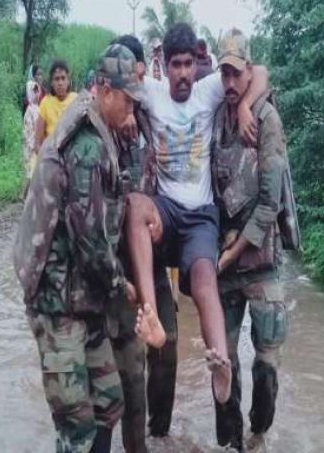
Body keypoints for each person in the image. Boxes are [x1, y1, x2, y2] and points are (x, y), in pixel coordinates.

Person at [13, 44, 159, 453]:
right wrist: (121, 286)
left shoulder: (99, 126)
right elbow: (91, 240)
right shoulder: (88, 146)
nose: (131, 110)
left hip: (84, 296)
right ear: (105, 90)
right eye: (127, 100)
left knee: (109, 401)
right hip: (56, 301)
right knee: (76, 424)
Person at [123, 22, 270, 408]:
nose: (184, 73)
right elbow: (110, 83)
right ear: (165, 64)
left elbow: (260, 72)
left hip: (201, 214)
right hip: (166, 208)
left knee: (205, 276)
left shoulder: (209, 90)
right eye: (176, 65)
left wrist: (243, 106)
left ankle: (220, 362)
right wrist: (128, 111)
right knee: (135, 205)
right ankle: (151, 316)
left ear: (196, 64)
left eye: (189, 64)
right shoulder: (151, 93)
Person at [211, 29, 290, 453]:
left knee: (266, 366)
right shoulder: (216, 117)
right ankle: (230, 443)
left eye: (235, 74)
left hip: (261, 261)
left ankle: (258, 435)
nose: (228, 82)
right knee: (221, 362)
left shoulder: (267, 120)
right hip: (224, 263)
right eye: (223, 73)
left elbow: (270, 203)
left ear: (248, 73)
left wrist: (234, 251)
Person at [112, 33, 180, 442]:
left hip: (153, 262)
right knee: (132, 372)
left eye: (141, 76)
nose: (137, 88)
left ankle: (161, 436)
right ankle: (137, 444)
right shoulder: (106, 127)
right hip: (120, 269)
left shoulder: (155, 116)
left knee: (167, 347)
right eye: (131, 80)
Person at [35, 59, 78, 149]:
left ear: (68, 81)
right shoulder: (46, 103)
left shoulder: (76, 100)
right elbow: (37, 144)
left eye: (63, 78)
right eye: (56, 79)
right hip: (50, 153)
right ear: (51, 82)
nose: (60, 83)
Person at [22, 79, 41, 196]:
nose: (36, 94)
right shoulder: (29, 111)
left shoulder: (38, 108)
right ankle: (24, 194)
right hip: (31, 146)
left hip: (37, 145)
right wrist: (32, 145)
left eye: (37, 91)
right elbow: (28, 131)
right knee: (31, 172)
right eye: (34, 91)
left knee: (35, 171)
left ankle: (28, 195)